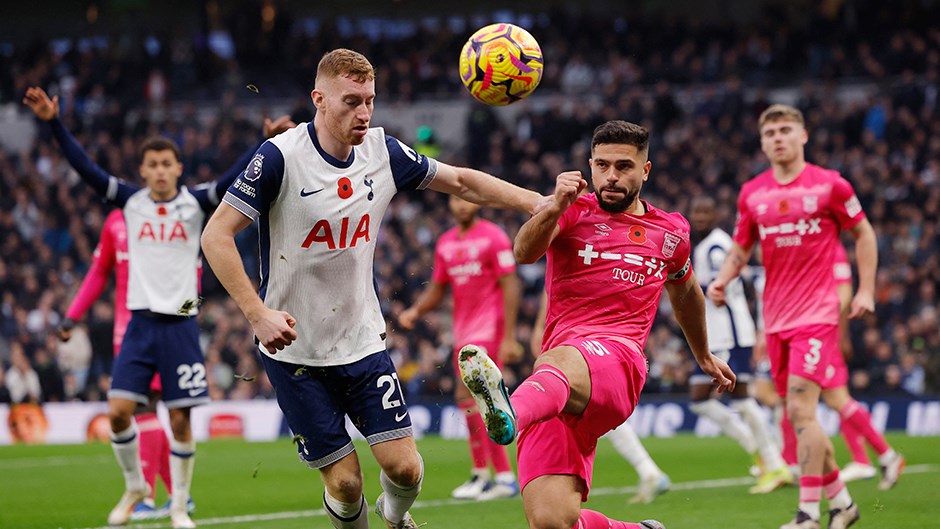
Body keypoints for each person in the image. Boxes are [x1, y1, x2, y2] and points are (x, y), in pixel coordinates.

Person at [200, 48, 547, 529]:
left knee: (405, 470)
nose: (363, 113)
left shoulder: (383, 152)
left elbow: (463, 182)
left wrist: (536, 202)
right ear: (318, 100)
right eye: (350, 101)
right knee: (344, 484)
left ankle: (395, 517)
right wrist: (257, 313)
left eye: (369, 101)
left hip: (361, 341)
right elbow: (215, 236)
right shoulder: (279, 158)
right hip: (294, 351)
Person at [23, 85, 294, 529]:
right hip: (139, 327)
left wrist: (263, 143)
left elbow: (233, 177)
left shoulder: (195, 204)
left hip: (181, 327)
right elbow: (86, 169)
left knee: (181, 422)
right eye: (153, 165)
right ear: (144, 171)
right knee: (117, 414)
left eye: (168, 164)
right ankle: (135, 486)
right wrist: (53, 122)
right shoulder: (129, 204)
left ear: (178, 169)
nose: (161, 171)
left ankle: (177, 505)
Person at [459, 120, 736, 529]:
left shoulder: (671, 231)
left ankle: (509, 412)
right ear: (589, 166)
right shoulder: (572, 211)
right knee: (552, 521)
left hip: (617, 364)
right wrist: (553, 205)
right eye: (602, 165)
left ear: (645, 171)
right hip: (554, 386)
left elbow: (687, 293)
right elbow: (523, 251)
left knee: (562, 358)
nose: (611, 176)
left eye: (624, 166)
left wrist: (702, 354)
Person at [706, 104, 883, 529]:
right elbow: (743, 245)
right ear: (763, 142)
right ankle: (842, 502)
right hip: (778, 317)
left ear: (803, 136)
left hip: (817, 316)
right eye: (770, 133)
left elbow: (864, 233)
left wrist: (866, 289)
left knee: (803, 413)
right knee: (796, 414)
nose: (778, 138)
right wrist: (723, 279)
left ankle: (807, 514)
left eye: (786, 130)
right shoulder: (752, 193)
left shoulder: (831, 186)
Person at [57, 209, 188, 520]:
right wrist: (72, 315)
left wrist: (184, 318)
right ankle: (177, 495)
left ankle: (147, 497)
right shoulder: (115, 221)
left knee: (141, 409)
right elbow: (99, 271)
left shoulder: (171, 217)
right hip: (126, 335)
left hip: (157, 330)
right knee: (143, 410)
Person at [397, 195, 523, 501]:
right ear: (450, 205)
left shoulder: (493, 236)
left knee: (479, 397)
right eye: (455, 199)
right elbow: (439, 289)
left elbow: (510, 284)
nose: (462, 205)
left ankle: (504, 476)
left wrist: (508, 337)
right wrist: (416, 310)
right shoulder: (446, 243)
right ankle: (482, 475)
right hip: (463, 332)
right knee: (468, 399)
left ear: (478, 203)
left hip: (489, 329)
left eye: (467, 199)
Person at [776, 243, 905, 486]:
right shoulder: (809, 247)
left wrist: (837, 334)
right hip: (811, 332)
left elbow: (843, 294)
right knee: (825, 398)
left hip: (821, 334)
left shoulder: (831, 249)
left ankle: (795, 466)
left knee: (824, 398)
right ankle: (876, 458)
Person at [688, 196, 792, 494]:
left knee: (741, 400)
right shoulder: (708, 246)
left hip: (730, 335)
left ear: (716, 214)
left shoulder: (717, 247)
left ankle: (773, 462)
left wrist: (685, 284)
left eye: (706, 210)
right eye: (696, 210)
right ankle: (762, 451)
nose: (700, 216)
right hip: (718, 336)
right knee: (701, 400)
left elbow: (726, 284)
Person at [532, 291, 671, 505]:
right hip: (601, 341)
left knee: (583, 410)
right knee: (596, 410)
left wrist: (540, 330)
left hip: (586, 341)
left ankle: (647, 471)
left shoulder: (568, 268)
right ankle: (648, 470)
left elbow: (550, 294)